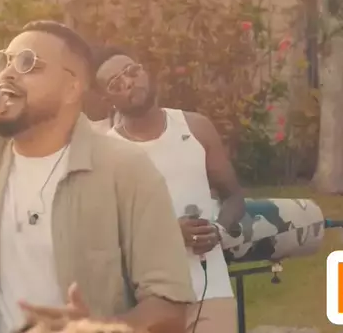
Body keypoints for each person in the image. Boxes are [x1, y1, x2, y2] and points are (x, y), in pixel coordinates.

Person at [0, 21, 195, 333]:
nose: (6, 75)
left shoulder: (126, 168)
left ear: (72, 88)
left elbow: (170, 307)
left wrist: (97, 328)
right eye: (3, 63)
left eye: (28, 64)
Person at [94, 48, 245, 333]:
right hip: (149, 300)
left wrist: (218, 230)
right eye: (115, 84)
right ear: (107, 100)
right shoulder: (107, 153)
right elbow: (106, 235)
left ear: (145, 71)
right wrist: (169, 234)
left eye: (131, 71)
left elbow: (234, 197)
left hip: (210, 289)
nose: (128, 82)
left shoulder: (196, 127)